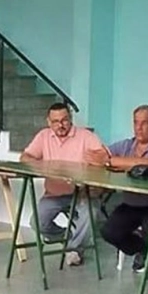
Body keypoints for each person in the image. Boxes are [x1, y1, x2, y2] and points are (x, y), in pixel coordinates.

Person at [93, 105, 148, 273]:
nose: (139, 128)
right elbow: (100, 155)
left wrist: (111, 161)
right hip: (132, 203)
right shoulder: (126, 145)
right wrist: (102, 157)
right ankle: (142, 249)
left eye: (144, 123)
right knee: (108, 231)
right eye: (136, 123)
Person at [20, 103, 108, 267]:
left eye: (64, 120)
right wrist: (45, 167)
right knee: (37, 223)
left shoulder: (86, 136)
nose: (60, 125)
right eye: (55, 121)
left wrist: (93, 178)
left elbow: (104, 158)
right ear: (48, 122)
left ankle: (75, 250)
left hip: (82, 193)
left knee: (91, 213)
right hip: (54, 194)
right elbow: (25, 158)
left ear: (71, 119)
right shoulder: (44, 136)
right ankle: (70, 238)